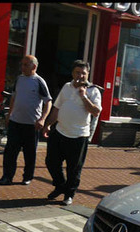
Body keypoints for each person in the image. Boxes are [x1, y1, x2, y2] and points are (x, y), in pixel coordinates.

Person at [41, 60, 101, 206]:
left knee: (73, 168)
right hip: (60, 131)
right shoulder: (66, 87)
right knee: (51, 162)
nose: (80, 76)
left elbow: (96, 111)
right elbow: (56, 108)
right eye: (77, 72)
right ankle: (61, 186)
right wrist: (47, 125)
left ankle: (69, 194)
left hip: (79, 136)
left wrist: (83, 96)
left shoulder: (93, 91)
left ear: (88, 74)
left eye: (83, 73)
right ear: (72, 73)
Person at [0, 55, 52, 185]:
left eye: (26, 65)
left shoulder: (39, 81)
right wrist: (9, 115)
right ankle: (7, 177)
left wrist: (43, 119)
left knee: (29, 153)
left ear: (34, 67)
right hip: (16, 122)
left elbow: (48, 101)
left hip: (31, 125)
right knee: (10, 152)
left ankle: (27, 177)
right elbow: (14, 97)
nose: (22, 67)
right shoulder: (19, 79)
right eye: (22, 64)